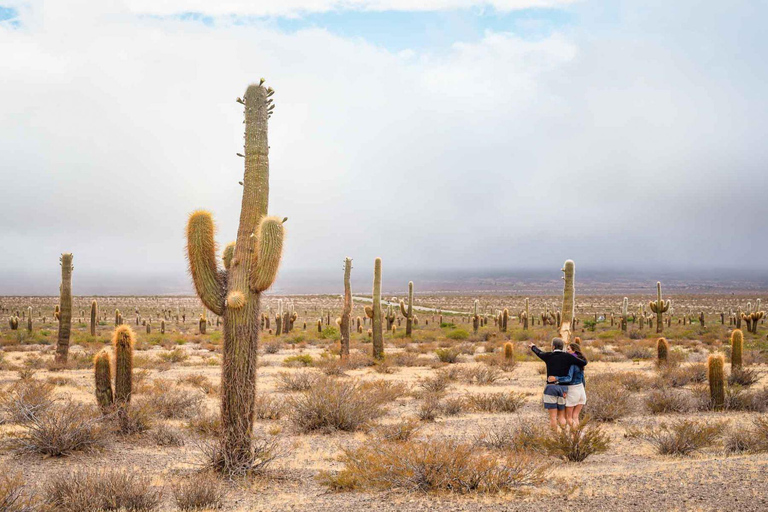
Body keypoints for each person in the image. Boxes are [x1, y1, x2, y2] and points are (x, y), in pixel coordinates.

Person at [529, 338, 587, 429]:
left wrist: (533, 347)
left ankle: (556, 437)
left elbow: (539, 353)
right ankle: (567, 435)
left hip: (551, 387)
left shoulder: (548, 355)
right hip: (564, 389)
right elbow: (583, 362)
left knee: (553, 417)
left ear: (553, 346)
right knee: (561, 416)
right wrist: (578, 355)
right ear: (563, 347)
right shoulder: (568, 356)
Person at [547, 342, 587, 427]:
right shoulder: (580, 363)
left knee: (569, 418)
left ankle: (578, 436)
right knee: (575, 417)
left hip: (573, 390)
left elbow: (569, 378)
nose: (566, 351)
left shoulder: (572, 363)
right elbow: (583, 380)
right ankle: (577, 437)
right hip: (581, 391)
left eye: (568, 349)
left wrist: (556, 378)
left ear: (573, 351)